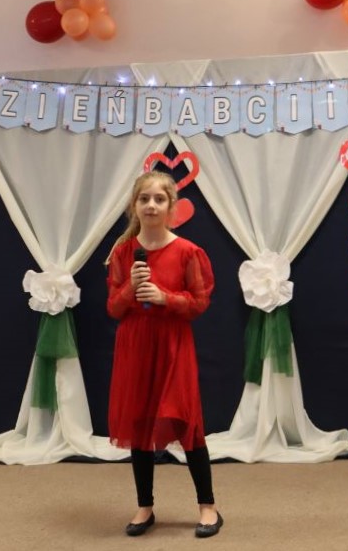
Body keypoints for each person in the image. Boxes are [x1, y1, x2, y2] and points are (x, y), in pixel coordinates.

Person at [105, 170, 223, 538]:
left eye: (159, 199)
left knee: (187, 423)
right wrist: (131, 288)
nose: (151, 205)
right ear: (134, 205)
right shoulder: (123, 253)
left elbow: (199, 302)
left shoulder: (188, 252)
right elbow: (113, 307)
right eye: (145, 199)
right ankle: (145, 506)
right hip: (136, 346)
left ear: (171, 206)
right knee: (139, 424)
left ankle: (208, 507)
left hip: (173, 346)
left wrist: (164, 298)